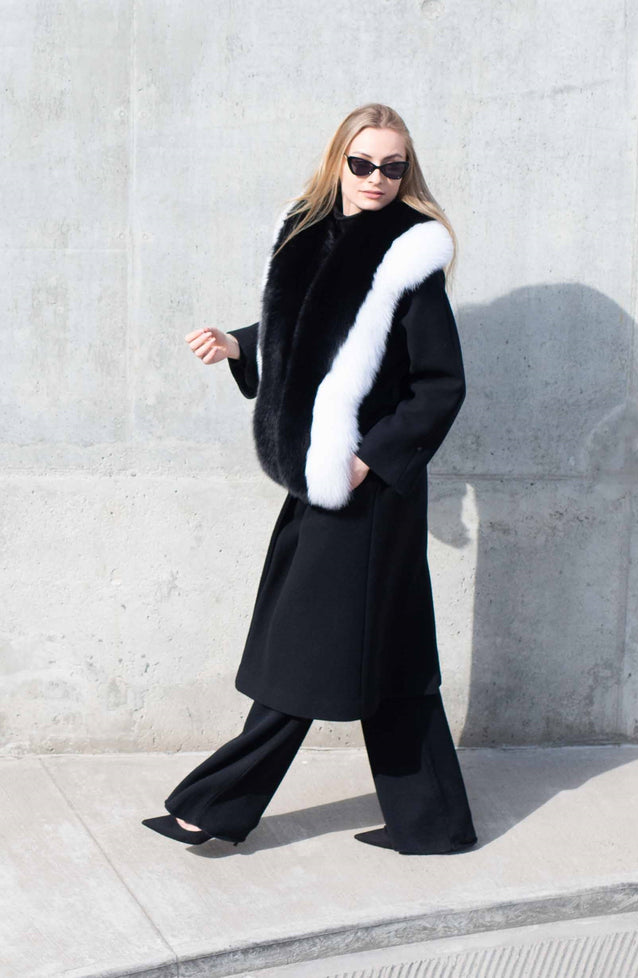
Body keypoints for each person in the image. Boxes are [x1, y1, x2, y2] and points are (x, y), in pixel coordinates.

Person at [142, 103, 477, 855]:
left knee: (300, 645)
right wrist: (240, 343)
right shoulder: (304, 232)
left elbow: (441, 385)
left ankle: (216, 807)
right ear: (339, 161)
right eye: (364, 164)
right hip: (315, 478)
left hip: (366, 490)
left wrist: (371, 459)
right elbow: (304, 329)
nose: (378, 179)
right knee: (393, 657)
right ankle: (434, 822)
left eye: (394, 167)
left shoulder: (410, 256)